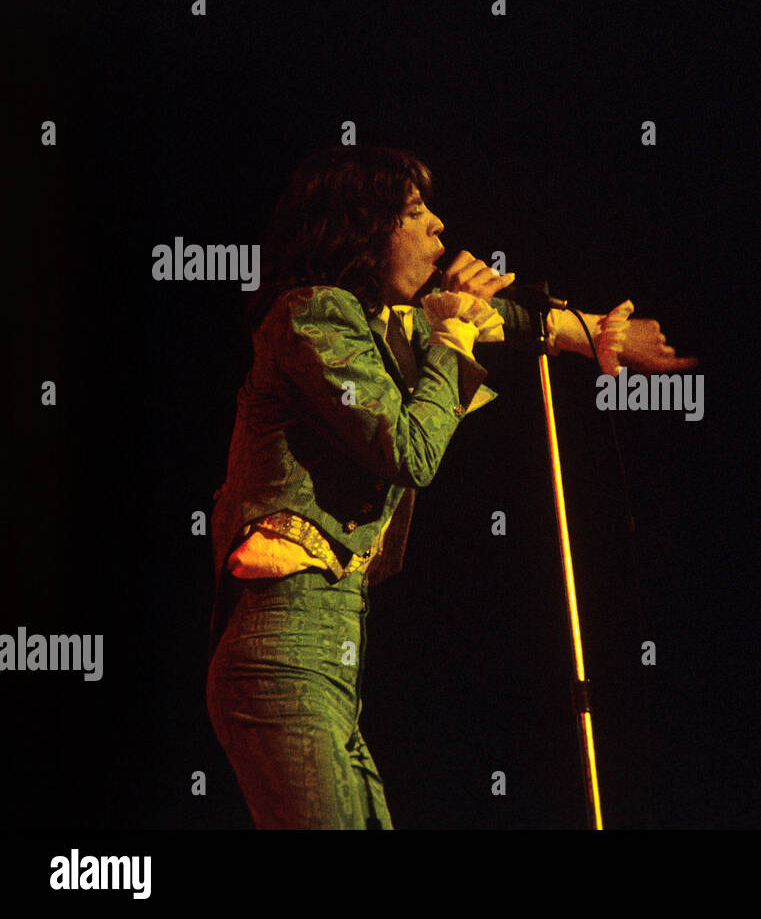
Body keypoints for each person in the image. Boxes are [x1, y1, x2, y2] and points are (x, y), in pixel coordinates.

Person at [205, 145, 694, 828]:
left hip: (333, 648)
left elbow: (500, 320)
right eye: (413, 211)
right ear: (361, 228)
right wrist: (455, 327)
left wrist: (588, 335)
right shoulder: (309, 314)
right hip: (283, 642)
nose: (438, 225)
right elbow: (408, 448)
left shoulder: (386, 324)